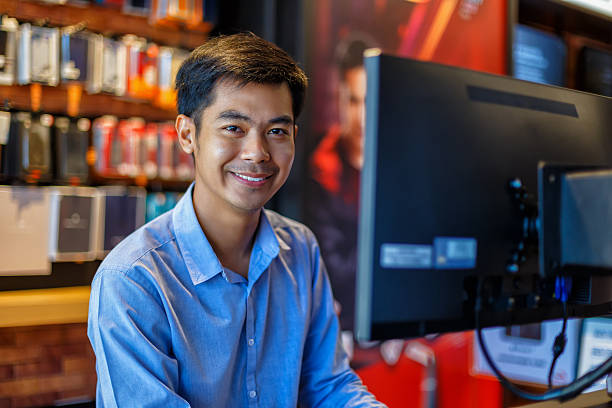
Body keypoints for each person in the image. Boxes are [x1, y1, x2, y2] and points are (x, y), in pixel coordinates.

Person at [87, 32, 386, 407]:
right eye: (234, 128)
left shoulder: (300, 249)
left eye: (277, 131)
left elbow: (327, 386)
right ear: (187, 134)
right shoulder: (133, 281)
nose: (257, 153)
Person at [306, 38, 368, 335]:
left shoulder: (400, 163)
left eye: (369, 101)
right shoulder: (321, 169)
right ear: (339, 99)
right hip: (343, 329)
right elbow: (334, 270)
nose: (362, 117)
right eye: (354, 101)